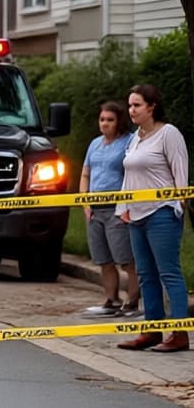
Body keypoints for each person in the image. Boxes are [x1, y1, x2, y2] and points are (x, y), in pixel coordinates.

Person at [116, 84, 190, 352]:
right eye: (130, 105)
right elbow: (128, 176)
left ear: (152, 106)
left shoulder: (168, 134)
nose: (131, 110)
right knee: (146, 274)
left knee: (168, 272)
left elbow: (181, 173)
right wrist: (123, 206)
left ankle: (180, 332)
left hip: (161, 211)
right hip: (136, 213)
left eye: (136, 105)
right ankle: (152, 329)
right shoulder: (136, 137)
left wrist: (179, 206)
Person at [78, 99, 138, 317]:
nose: (104, 124)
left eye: (110, 120)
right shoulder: (94, 144)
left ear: (119, 121)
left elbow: (133, 173)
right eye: (102, 119)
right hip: (95, 208)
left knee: (125, 258)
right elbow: (85, 174)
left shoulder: (129, 142)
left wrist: (126, 205)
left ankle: (133, 301)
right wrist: (84, 202)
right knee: (103, 259)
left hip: (116, 208)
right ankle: (111, 299)